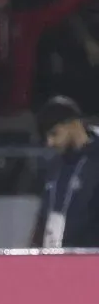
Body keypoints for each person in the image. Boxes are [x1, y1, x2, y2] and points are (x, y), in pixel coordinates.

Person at [36, 95, 99, 248]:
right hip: (56, 260)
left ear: (73, 124)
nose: (50, 143)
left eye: (54, 133)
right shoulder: (54, 166)